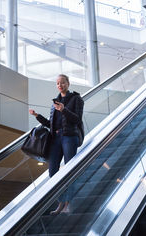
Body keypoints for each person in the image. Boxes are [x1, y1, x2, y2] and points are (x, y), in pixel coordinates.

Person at [29, 74, 84, 215]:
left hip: (69, 137)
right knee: (53, 171)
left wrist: (64, 110)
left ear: (68, 83)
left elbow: (77, 119)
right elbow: (50, 124)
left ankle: (69, 204)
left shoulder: (76, 99)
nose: (60, 85)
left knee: (69, 170)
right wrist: (37, 116)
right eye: (58, 83)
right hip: (55, 138)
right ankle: (60, 202)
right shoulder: (55, 103)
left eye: (63, 82)